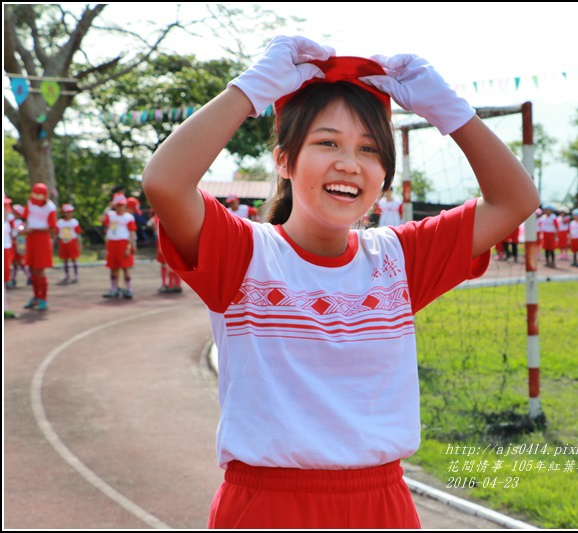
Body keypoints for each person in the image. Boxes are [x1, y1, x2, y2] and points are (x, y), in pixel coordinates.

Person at [141, 35, 538, 530]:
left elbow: (514, 201)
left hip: (383, 505)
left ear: (384, 176)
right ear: (284, 162)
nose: (349, 163)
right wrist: (253, 88)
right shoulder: (244, 254)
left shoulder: (399, 259)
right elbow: (165, 181)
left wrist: (448, 109)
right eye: (327, 142)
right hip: (269, 507)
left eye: (369, 149)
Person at [21, 183, 57, 311]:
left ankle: (43, 298)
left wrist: (35, 229)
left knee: (39, 269)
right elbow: (24, 220)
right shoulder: (30, 203)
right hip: (30, 239)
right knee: (31, 268)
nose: (35, 198)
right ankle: (36, 296)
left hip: (42, 239)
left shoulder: (50, 207)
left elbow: (52, 227)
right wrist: (22, 229)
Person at [102, 196, 137, 299]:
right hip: (112, 243)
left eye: (122, 205)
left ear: (125, 206)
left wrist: (129, 246)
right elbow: (102, 221)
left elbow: (132, 233)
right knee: (113, 268)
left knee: (125, 268)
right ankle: (114, 288)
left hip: (123, 244)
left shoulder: (129, 217)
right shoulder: (110, 215)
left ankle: (129, 289)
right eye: (117, 205)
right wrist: (108, 208)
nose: (120, 208)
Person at [147, 210, 182, 293]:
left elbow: (152, 226)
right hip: (168, 242)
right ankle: (175, 284)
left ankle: (170, 284)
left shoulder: (158, 218)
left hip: (165, 242)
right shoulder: (165, 217)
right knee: (170, 264)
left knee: (168, 265)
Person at [56, 203, 82, 284]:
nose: (69, 214)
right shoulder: (60, 222)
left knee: (74, 259)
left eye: (71, 212)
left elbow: (78, 232)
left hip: (72, 242)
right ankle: (67, 275)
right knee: (65, 260)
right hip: (63, 242)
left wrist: (80, 243)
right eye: (67, 212)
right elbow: (56, 232)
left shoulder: (74, 222)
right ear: (63, 213)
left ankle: (76, 275)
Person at [3, 194, 16, 318]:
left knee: (4, 281)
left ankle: (4, 308)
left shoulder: (6, 222)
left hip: (6, 251)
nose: (7, 209)